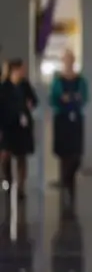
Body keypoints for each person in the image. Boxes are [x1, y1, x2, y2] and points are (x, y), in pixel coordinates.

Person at [50, 49, 89, 203]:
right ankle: (68, 187)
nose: (68, 62)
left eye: (70, 59)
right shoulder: (57, 80)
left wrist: (75, 98)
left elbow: (85, 97)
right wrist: (62, 99)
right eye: (66, 59)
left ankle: (67, 179)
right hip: (61, 118)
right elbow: (53, 99)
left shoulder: (81, 80)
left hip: (76, 118)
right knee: (64, 154)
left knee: (76, 154)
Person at [0, 59, 37, 199]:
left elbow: (34, 100)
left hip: (22, 124)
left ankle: (21, 187)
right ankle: (7, 183)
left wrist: (29, 105)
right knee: (5, 157)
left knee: (22, 157)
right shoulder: (4, 87)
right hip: (8, 125)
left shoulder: (24, 85)